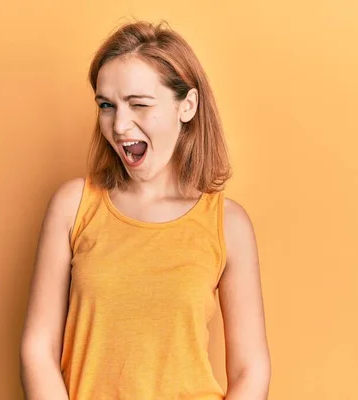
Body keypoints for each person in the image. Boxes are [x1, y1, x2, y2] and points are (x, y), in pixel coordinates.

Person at [20, 20, 271, 400]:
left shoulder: (228, 224)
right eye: (107, 105)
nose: (120, 125)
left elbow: (250, 370)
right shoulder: (73, 206)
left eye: (139, 104)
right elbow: (37, 348)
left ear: (186, 106)